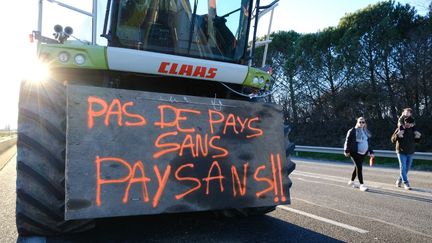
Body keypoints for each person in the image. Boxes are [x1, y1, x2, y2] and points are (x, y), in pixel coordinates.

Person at [344, 117, 374, 192]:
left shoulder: (364, 131)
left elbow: (366, 143)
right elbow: (347, 141)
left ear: (365, 123)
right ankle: (362, 185)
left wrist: (371, 152)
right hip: (354, 152)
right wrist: (346, 150)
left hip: (363, 153)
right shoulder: (353, 131)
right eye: (360, 122)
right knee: (359, 168)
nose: (361, 123)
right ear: (357, 122)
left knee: (357, 167)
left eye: (363, 122)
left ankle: (351, 181)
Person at [391, 116, 421, 190]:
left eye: (412, 124)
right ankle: (406, 183)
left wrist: (418, 137)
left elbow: (416, 141)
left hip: (410, 152)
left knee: (407, 168)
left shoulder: (413, 130)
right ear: (405, 122)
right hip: (401, 152)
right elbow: (392, 140)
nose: (410, 125)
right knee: (403, 167)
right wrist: (397, 135)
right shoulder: (400, 128)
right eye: (409, 123)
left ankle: (399, 179)